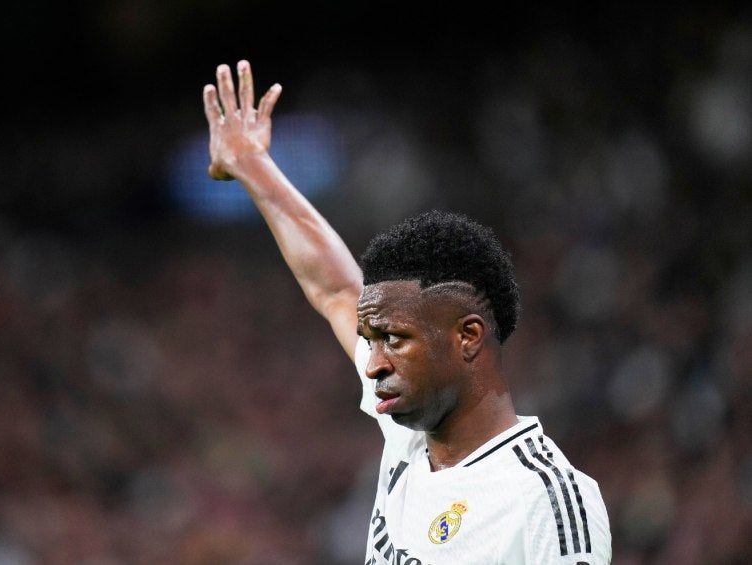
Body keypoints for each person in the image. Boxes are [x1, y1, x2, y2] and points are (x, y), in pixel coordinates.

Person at [201, 60, 612, 564]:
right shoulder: (408, 431)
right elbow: (335, 289)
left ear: (467, 337)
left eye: (394, 339)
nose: (373, 364)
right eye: (371, 340)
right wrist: (251, 163)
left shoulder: (545, 500)